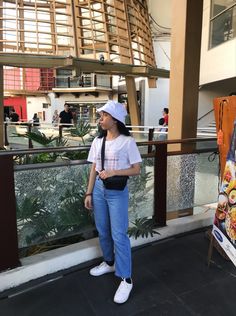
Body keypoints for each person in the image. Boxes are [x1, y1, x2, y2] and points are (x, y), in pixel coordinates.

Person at [84, 100, 142, 304]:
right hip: (99, 189)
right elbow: (93, 168)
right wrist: (89, 193)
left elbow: (136, 169)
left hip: (117, 191)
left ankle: (126, 278)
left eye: (104, 116)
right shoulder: (98, 141)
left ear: (115, 120)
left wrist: (114, 171)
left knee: (119, 234)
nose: (101, 119)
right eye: (101, 116)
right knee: (103, 229)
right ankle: (109, 262)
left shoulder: (128, 141)